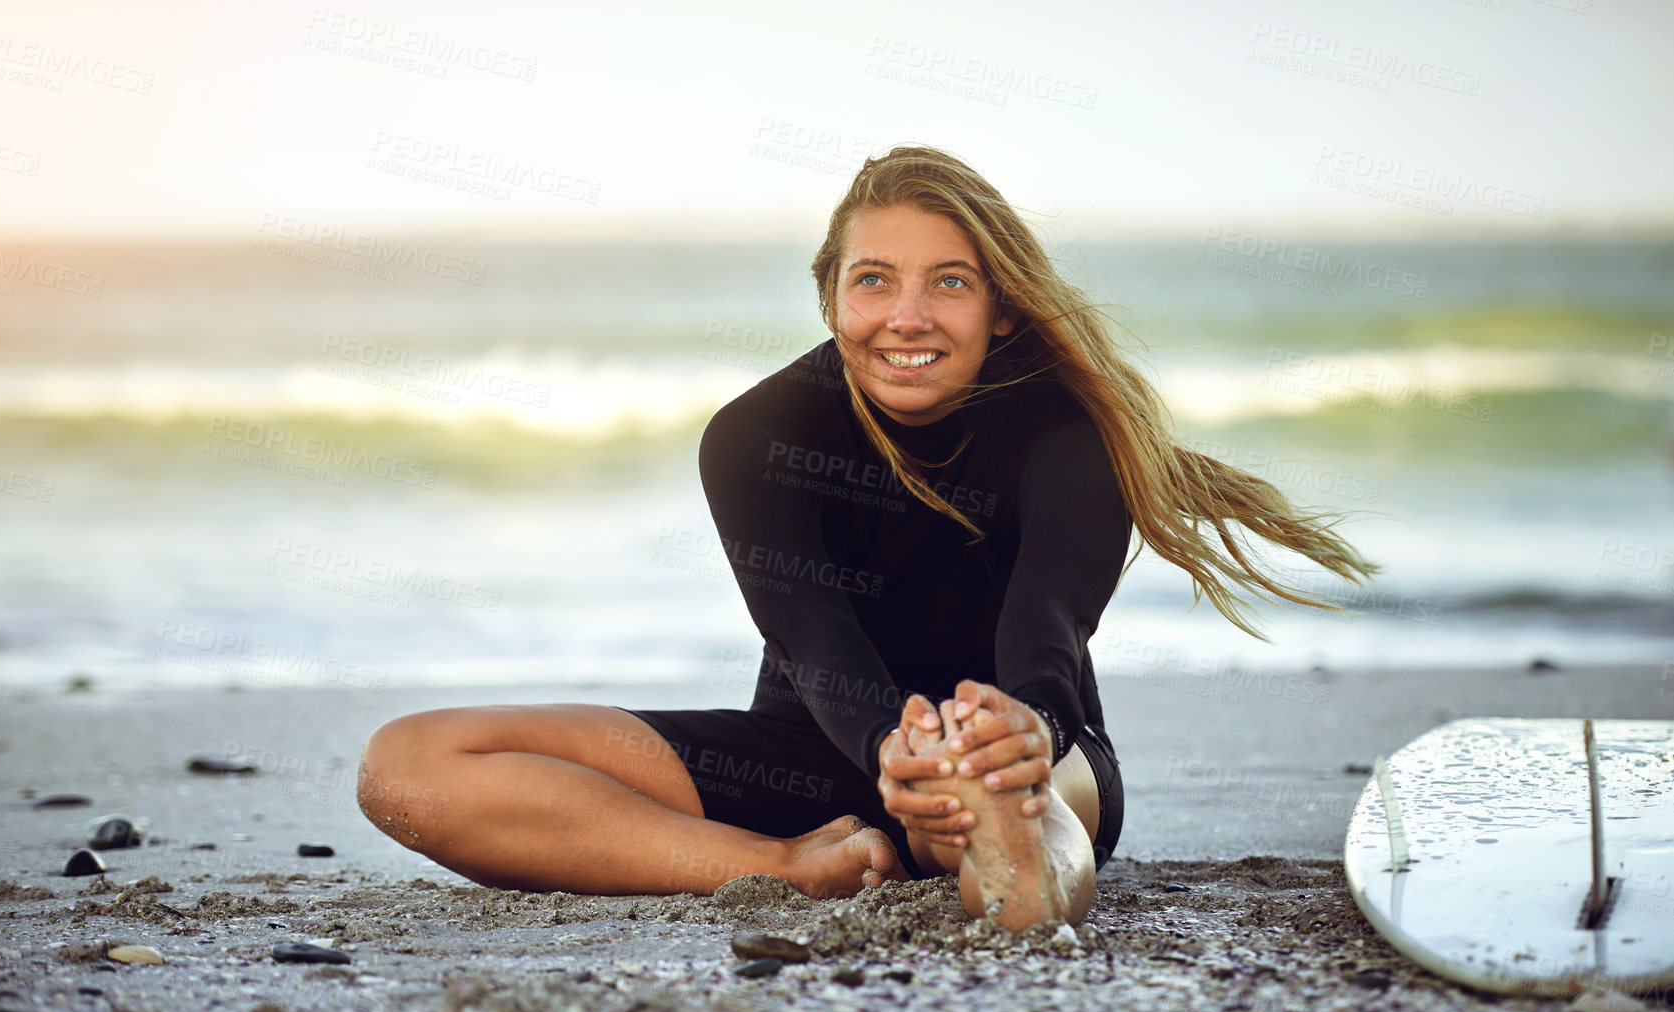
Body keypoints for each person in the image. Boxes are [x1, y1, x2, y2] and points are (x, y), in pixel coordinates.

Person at [356, 146, 1381, 930]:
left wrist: (1017, 734)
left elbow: (1046, 621)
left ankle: (989, 841)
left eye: (949, 280)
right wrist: (889, 752)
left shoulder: (1071, 430)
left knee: (1009, 851)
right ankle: (784, 863)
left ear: (1002, 308)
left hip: (1021, 745)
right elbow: (810, 638)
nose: (906, 316)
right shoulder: (758, 435)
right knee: (408, 763)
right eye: (873, 280)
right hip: (805, 756)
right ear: (830, 295)